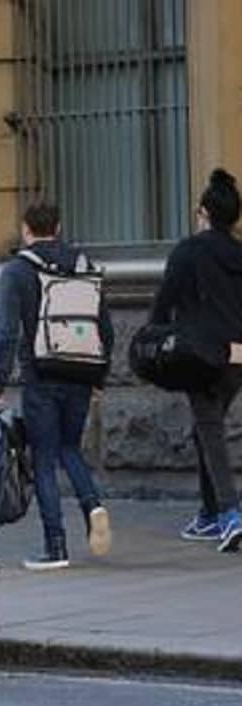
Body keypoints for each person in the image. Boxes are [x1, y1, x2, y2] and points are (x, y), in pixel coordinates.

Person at [0, 200, 114, 570]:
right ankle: (94, 506)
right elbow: (103, 326)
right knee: (69, 448)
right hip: (81, 373)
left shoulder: (17, 270)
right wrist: (99, 376)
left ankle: (55, 546)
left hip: (41, 375)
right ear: (57, 228)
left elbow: (6, 332)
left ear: (26, 229)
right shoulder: (84, 265)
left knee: (43, 457)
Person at [150, 169, 242, 553]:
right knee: (207, 427)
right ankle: (208, 514)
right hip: (239, 357)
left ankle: (230, 514)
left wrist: (152, 337)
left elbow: (164, 302)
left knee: (210, 431)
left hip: (203, 355)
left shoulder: (188, 251)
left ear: (203, 211)